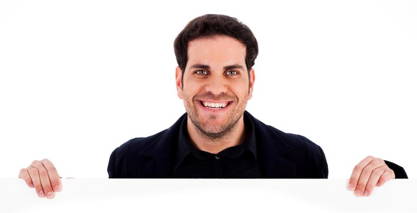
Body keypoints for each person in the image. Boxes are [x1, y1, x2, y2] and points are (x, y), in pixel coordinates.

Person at [18, 14, 407, 199]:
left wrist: (389, 181)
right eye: (201, 71)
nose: (217, 87)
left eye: (232, 72)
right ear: (179, 81)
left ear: (250, 82)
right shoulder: (130, 162)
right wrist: (41, 192)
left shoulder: (303, 158)